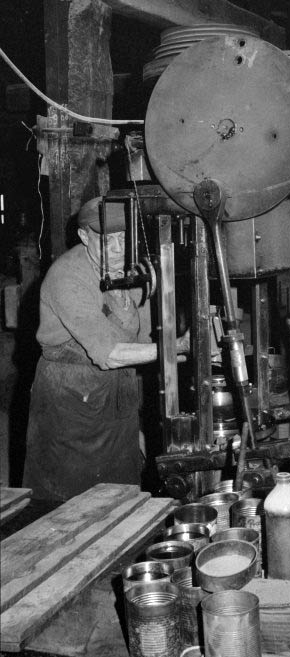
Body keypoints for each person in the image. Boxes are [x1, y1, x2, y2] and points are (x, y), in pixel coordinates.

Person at [23, 196, 183, 502]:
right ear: (84, 237)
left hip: (116, 393)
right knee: (69, 498)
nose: (119, 248)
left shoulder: (130, 269)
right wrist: (176, 348)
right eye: (107, 240)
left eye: (124, 238)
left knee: (121, 491)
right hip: (70, 396)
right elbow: (109, 354)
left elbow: (141, 338)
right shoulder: (67, 276)